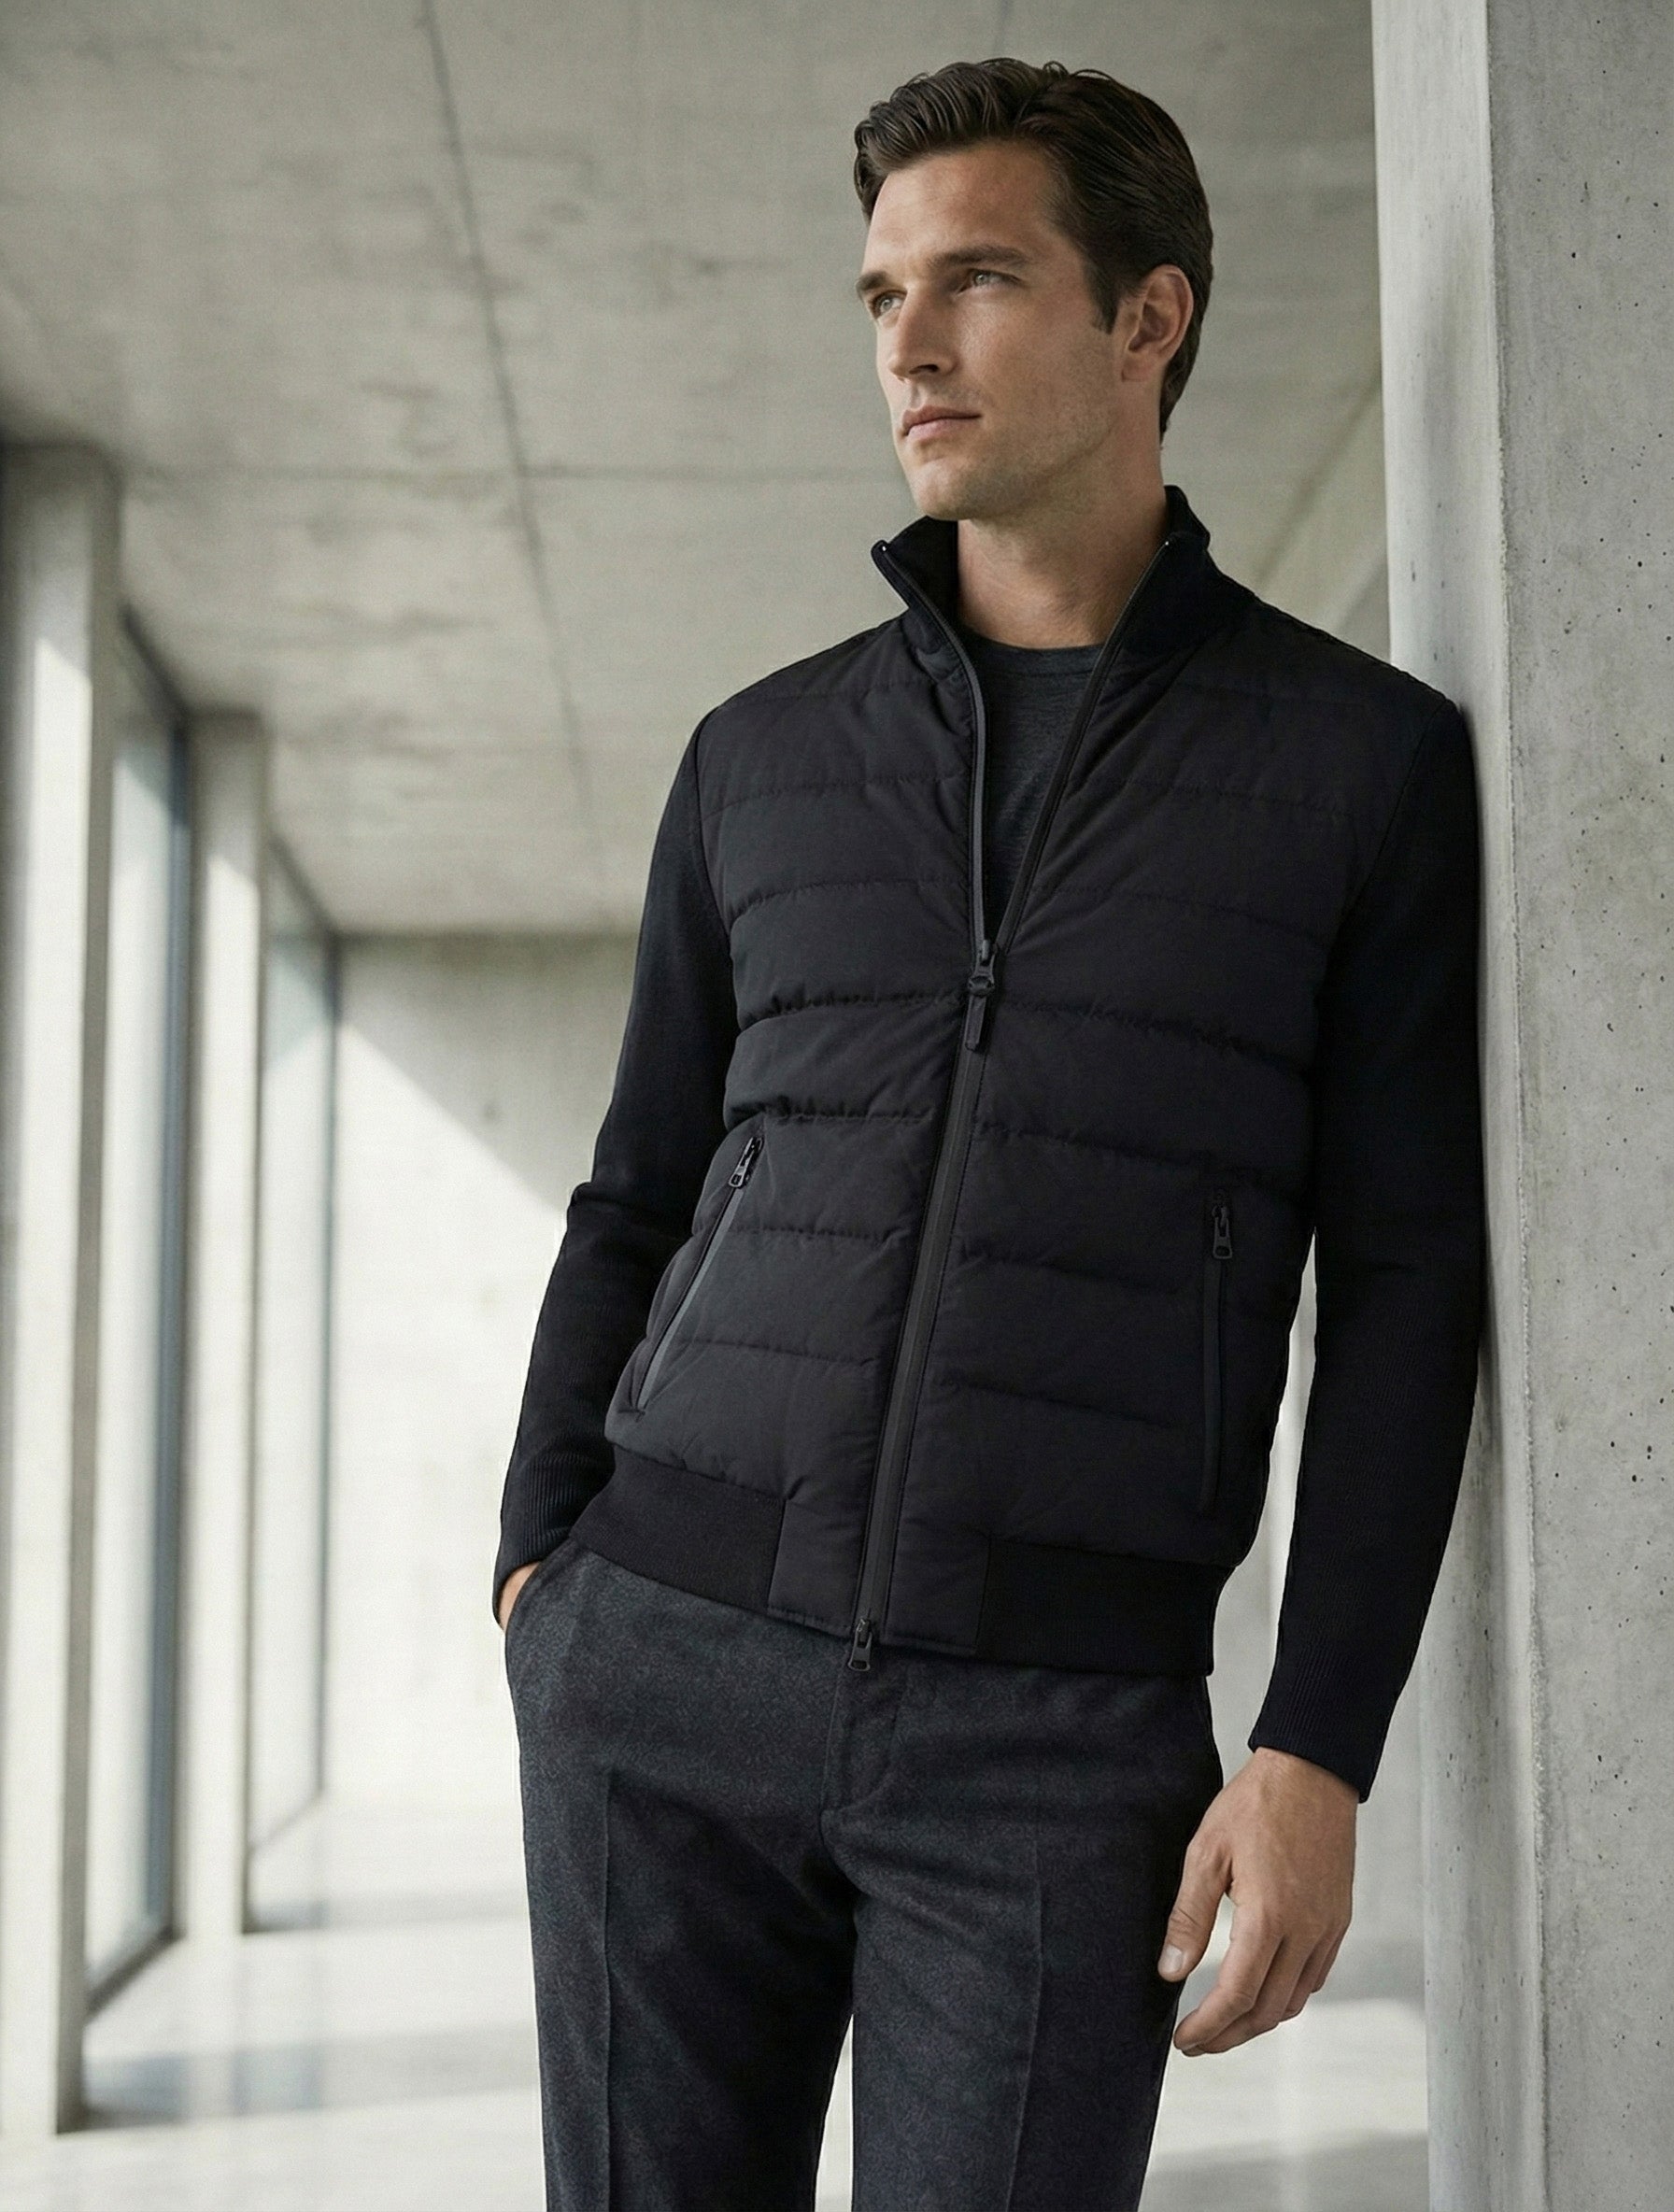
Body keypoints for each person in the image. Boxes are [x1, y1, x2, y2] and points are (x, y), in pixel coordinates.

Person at [492, 56, 1485, 2212]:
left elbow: (1405, 1283)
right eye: (880, 295)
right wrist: (538, 1563)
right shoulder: (757, 760)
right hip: (657, 1671)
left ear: (1148, 317)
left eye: (978, 279)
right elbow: (635, 1190)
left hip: (1054, 1735)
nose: (908, 344)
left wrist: (1315, 1739)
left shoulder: (1355, 770)